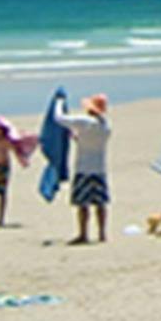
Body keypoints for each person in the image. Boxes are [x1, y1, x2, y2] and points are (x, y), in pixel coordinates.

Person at [56, 93, 112, 244]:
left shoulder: (85, 122)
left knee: (82, 204)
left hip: (83, 168)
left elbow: (59, 118)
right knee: (100, 203)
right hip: (99, 168)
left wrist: (59, 102)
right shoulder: (105, 126)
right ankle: (102, 233)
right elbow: (90, 141)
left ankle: (83, 233)